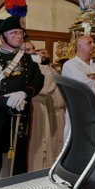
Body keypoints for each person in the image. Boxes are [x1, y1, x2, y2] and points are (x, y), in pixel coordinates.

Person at [0, 17, 45, 182]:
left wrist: (24, 93)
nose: (19, 36)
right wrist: (2, 100)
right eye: (13, 33)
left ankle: (18, 187)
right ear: (2, 37)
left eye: (20, 32)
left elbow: (38, 80)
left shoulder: (29, 59)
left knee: (20, 154)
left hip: (20, 111)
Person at [23, 41, 66, 173]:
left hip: (43, 108)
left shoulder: (41, 68)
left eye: (33, 49)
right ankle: (34, 170)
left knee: (47, 142)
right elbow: (44, 89)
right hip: (32, 107)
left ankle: (46, 169)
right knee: (37, 144)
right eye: (28, 50)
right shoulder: (29, 68)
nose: (34, 52)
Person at [61, 34, 95, 113]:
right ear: (80, 46)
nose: (93, 45)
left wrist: (92, 76)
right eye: (89, 43)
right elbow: (84, 84)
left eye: (93, 43)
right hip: (80, 109)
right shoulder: (70, 64)